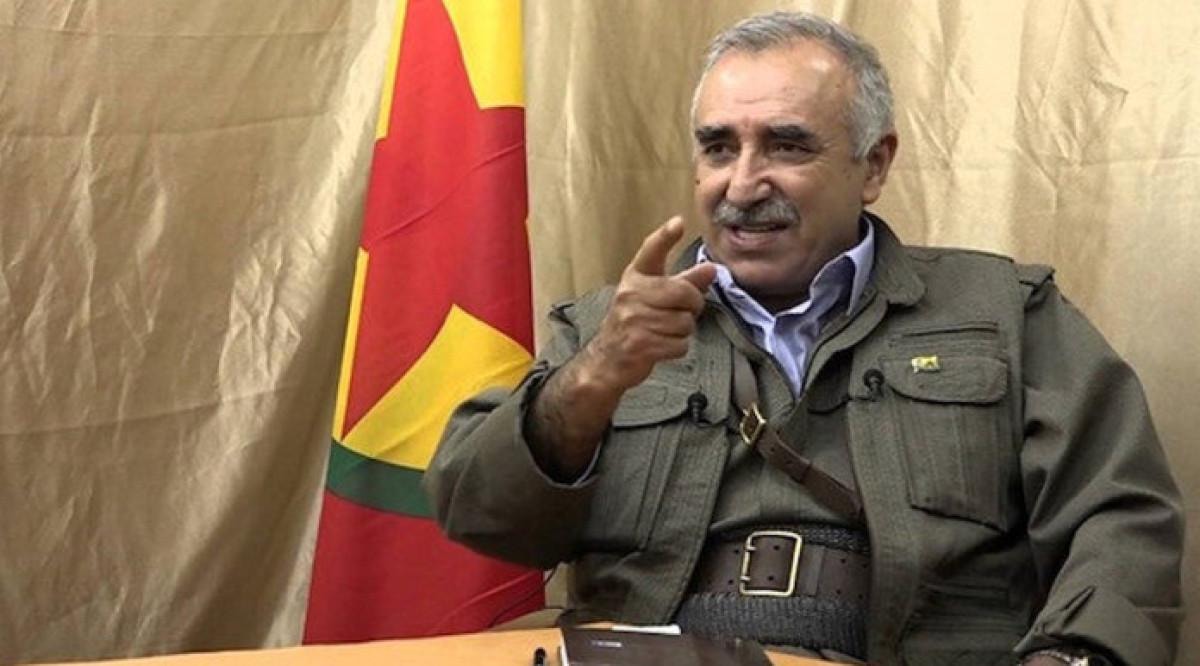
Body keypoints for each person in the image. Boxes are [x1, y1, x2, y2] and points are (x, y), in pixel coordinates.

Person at [424, 11, 1182, 665]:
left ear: (873, 165)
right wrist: (593, 376)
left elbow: (1120, 518)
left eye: (787, 146)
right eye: (719, 147)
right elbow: (482, 517)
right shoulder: (604, 329)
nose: (742, 184)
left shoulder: (1005, 312)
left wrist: (1073, 655)